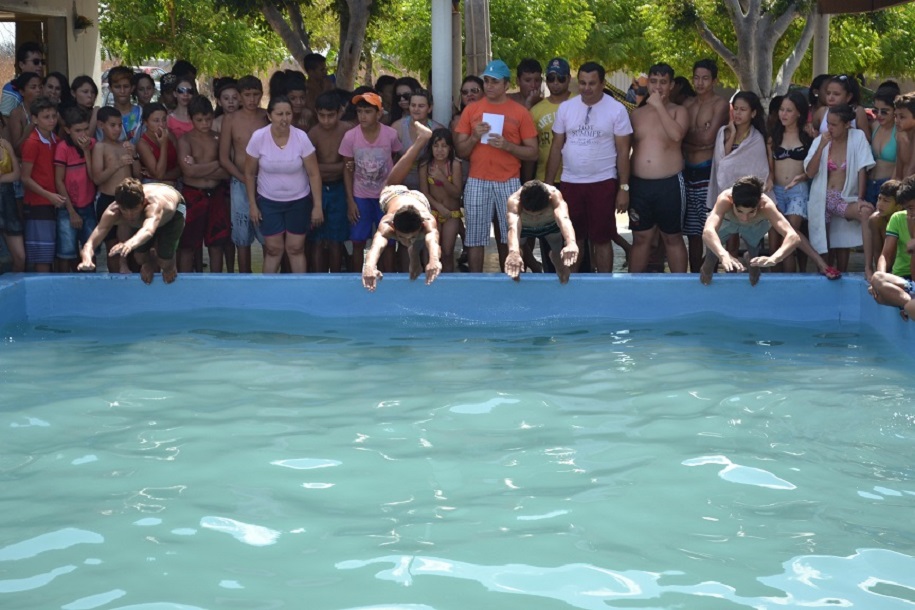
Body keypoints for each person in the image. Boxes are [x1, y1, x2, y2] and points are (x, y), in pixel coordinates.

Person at [544, 61, 632, 273]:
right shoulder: (566, 108)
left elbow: (623, 152)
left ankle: (603, 289)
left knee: (602, 239)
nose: (586, 88)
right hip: (571, 182)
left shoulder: (617, 110)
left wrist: (624, 188)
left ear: (602, 83)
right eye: (582, 83)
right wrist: (547, 185)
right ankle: (573, 289)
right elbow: (556, 147)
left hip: (603, 182)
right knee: (573, 239)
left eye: (592, 83)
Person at [454, 59, 538, 272]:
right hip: (477, 180)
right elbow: (460, 152)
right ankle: (475, 283)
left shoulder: (520, 112)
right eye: (487, 81)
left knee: (509, 236)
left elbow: (533, 151)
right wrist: (474, 137)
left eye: (495, 82)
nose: (489, 86)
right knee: (474, 237)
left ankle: (508, 281)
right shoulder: (472, 110)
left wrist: (508, 146)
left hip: (508, 181)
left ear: (507, 85)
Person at [245, 95, 323, 274]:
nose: (284, 118)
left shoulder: (301, 137)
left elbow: (314, 173)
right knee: (273, 249)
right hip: (268, 201)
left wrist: (317, 205)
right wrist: (252, 205)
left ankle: (299, 293)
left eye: (288, 113)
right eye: (279, 114)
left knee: (295, 248)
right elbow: (249, 173)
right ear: (270, 116)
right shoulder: (259, 137)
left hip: (299, 201)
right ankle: (268, 293)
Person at [627, 63, 690, 273]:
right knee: (641, 237)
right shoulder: (636, 115)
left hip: (670, 183)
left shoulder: (678, 111)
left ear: (671, 85)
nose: (658, 87)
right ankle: (634, 287)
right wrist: (624, 186)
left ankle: (681, 287)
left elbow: (676, 135)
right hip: (640, 186)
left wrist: (659, 106)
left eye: (663, 82)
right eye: (653, 81)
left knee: (672, 237)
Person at [804, 104, 875, 276]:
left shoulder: (857, 137)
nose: (830, 128)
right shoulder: (820, 140)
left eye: (834, 124)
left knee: (866, 213)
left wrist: (859, 198)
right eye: (828, 123)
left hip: (843, 200)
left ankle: (868, 266)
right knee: (825, 250)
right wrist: (821, 147)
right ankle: (827, 274)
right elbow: (810, 172)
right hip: (822, 199)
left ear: (847, 124)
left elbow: (862, 169)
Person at [340, 91, 403, 273]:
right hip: (361, 196)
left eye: (367, 111)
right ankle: (357, 279)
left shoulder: (390, 135)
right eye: (359, 111)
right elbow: (347, 168)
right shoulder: (350, 136)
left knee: (389, 242)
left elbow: (396, 157)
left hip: (386, 197)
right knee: (358, 241)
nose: (363, 116)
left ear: (379, 113)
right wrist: (351, 201)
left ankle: (388, 278)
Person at [78, 178, 186, 284]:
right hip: (146, 219)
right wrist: (86, 256)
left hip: (174, 212)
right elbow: (95, 237)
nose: (130, 215)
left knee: (164, 263)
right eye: (124, 210)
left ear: (143, 202)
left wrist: (129, 243)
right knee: (139, 258)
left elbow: (148, 230)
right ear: (118, 205)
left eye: (134, 209)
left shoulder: (153, 205)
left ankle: (169, 262)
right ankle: (150, 259)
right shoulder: (113, 211)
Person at [701, 175, 800, 286]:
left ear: (758, 204)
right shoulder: (725, 199)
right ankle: (710, 264)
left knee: (754, 267)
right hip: (728, 223)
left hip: (754, 225)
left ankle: (751, 256)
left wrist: (775, 258)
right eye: (740, 211)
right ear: (732, 201)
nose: (744, 218)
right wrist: (723, 254)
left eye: (751, 212)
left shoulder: (766, 205)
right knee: (710, 261)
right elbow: (708, 231)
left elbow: (793, 236)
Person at [681, 59, 729, 273]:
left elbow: (709, 139)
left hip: (707, 171)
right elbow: (679, 138)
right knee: (692, 229)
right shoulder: (687, 105)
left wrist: (698, 138)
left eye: (705, 78)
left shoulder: (719, 105)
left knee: (710, 224)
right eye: (697, 78)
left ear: (714, 81)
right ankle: (694, 273)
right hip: (686, 170)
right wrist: (699, 137)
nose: (700, 83)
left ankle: (710, 269)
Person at [219, 75, 268, 273]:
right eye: (247, 95)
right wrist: (242, 178)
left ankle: (269, 280)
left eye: (256, 94)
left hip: (266, 183)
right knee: (241, 236)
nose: (252, 99)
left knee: (269, 236)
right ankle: (245, 280)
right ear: (240, 96)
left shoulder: (267, 117)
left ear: (262, 95)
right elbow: (224, 157)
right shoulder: (230, 120)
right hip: (239, 183)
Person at [178, 95, 231, 273]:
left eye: (208, 119)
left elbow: (227, 171)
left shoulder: (218, 138)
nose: (205, 124)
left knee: (217, 243)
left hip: (216, 193)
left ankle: (216, 283)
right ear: (191, 119)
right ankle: (184, 285)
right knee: (187, 244)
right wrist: (217, 163)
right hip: (193, 194)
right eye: (199, 120)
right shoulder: (185, 140)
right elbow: (188, 172)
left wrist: (200, 167)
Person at [768, 91, 817, 274]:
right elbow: (770, 169)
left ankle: (791, 284)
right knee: (774, 245)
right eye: (782, 110)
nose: (784, 114)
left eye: (789, 110)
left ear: (799, 113)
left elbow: (813, 167)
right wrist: (769, 182)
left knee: (788, 241)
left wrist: (803, 177)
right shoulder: (773, 136)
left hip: (798, 191)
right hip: (777, 191)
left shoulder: (808, 137)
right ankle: (774, 285)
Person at [361, 184, 441, 291]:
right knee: (387, 186)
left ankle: (414, 251)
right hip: (392, 193)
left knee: (426, 236)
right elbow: (376, 246)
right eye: (402, 237)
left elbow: (433, 241)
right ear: (393, 226)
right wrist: (369, 267)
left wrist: (434, 261)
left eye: (412, 237)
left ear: (421, 225)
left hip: (418, 198)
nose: (407, 241)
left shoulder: (427, 221)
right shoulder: (387, 224)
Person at [92, 106, 141, 272]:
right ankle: (114, 282)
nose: (117, 129)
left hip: (127, 199)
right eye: (112, 125)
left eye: (120, 125)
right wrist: (117, 164)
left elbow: (137, 175)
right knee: (113, 247)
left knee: (130, 245)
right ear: (101, 125)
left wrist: (134, 157)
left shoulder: (125, 145)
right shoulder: (100, 147)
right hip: (108, 198)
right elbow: (97, 178)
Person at [307, 91, 350, 273]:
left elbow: (350, 166)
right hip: (317, 190)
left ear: (339, 112)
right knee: (316, 238)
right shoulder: (313, 134)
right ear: (316, 113)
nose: (326, 121)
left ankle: (336, 278)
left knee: (336, 238)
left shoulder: (347, 130)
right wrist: (340, 167)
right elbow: (309, 168)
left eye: (330, 116)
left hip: (340, 188)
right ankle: (318, 278)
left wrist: (322, 168)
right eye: (321, 116)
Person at [504, 180, 578, 283]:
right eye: (530, 214)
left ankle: (556, 259)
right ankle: (516, 270)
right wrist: (513, 253)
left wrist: (571, 243)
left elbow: (564, 219)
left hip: (549, 225)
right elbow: (513, 227)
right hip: (525, 226)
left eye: (540, 214)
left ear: (549, 199)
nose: (535, 219)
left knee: (560, 258)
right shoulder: (514, 201)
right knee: (516, 252)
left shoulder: (554, 195)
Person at [20, 97, 63, 273]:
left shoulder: (56, 139)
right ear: (35, 119)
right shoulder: (31, 143)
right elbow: (25, 178)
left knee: (55, 253)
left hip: (55, 202)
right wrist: (49, 195)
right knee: (42, 257)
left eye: (54, 116)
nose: (51, 120)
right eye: (46, 117)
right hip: (38, 204)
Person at [53, 106, 97, 272]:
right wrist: (71, 211)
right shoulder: (63, 148)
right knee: (66, 252)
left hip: (88, 205)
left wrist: (86, 151)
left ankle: (91, 286)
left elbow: (94, 177)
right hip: (68, 208)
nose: (83, 134)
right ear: (67, 130)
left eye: (86, 129)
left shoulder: (92, 145)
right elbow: (59, 181)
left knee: (90, 250)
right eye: (78, 130)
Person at [868, 174, 915, 320]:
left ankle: (908, 305)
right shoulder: (898, 218)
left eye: (912, 208)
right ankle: (909, 303)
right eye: (908, 209)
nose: (910, 213)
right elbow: (885, 255)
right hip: (904, 278)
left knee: (888, 298)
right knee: (877, 282)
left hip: (912, 278)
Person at [419, 127, 463, 272]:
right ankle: (428, 281)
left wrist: (442, 179)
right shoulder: (425, 165)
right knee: (431, 251)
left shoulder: (455, 165)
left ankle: (448, 285)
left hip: (452, 214)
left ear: (450, 148)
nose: (440, 150)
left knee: (447, 252)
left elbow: (457, 193)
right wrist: (439, 207)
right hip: (434, 213)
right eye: (436, 146)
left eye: (444, 146)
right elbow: (424, 193)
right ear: (430, 147)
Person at [391, 88, 443, 190]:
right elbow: (389, 159)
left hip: (430, 186)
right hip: (401, 185)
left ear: (429, 108)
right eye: (413, 105)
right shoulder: (397, 127)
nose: (416, 109)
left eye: (421, 106)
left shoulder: (438, 130)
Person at [813, 75, 870, 142]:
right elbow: (812, 129)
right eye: (828, 93)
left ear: (848, 97)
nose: (830, 98)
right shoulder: (821, 112)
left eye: (836, 94)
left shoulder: (857, 111)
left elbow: (867, 139)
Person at [136, 102, 180, 185]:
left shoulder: (170, 136)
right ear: (146, 122)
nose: (162, 124)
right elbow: (159, 174)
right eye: (156, 121)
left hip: (174, 183)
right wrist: (163, 145)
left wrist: (163, 176)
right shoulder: (142, 144)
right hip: (153, 185)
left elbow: (180, 168)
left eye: (164, 119)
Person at [0, 42, 45, 118]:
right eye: (36, 62)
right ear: (21, 65)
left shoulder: (45, 86)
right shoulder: (11, 88)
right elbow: (5, 123)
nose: (40, 66)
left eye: (42, 62)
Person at [0, 134, 23, 271]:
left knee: (20, 257)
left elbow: (17, 174)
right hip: (7, 193)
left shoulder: (5, 143)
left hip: (8, 200)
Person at [104, 66, 143, 145]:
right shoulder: (105, 115)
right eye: (117, 87)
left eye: (126, 86)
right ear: (110, 88)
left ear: (132, 88)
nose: (122, 91)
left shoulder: (141, 112)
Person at [8, 72, 43, 155]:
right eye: (33, 87)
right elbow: (16, 150)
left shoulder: (46, 110)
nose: (38, 90)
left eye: (40, 87)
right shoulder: (17, 113)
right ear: (22, 92)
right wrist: (27, 132)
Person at [893, 92, 915, 180]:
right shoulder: (900, 136)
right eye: (895, 116)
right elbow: (898, 171)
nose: (897, 121)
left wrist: (902, 191)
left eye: (902, 117)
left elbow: (912, 168)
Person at [167, 76, 196, 140]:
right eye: (181, 90)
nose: (186, 94)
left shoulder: (199, 117)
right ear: (174, 93)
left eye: (189, 91)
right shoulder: (168, 119)